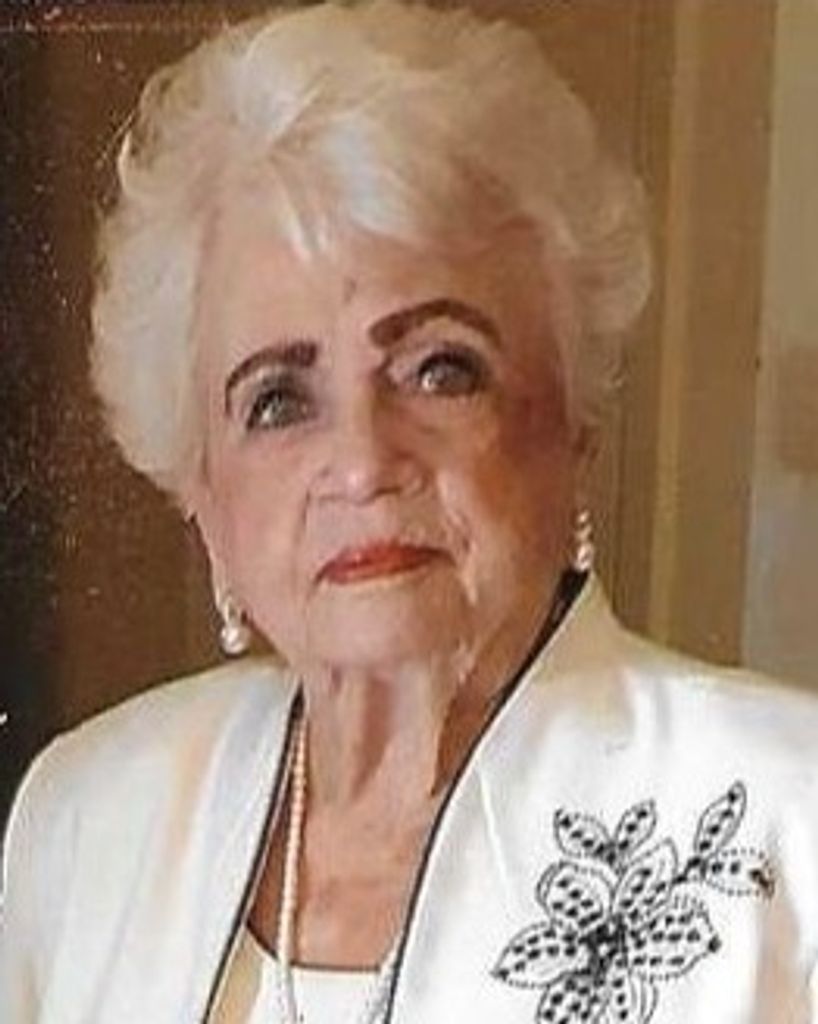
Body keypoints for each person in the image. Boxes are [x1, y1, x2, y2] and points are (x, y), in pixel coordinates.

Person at [1, 2, 817, 1021]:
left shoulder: (791, 821)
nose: (361, 464)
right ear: (201, 491)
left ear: (572, 423)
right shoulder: (88, 817)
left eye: (440, 370)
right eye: (277, 401)